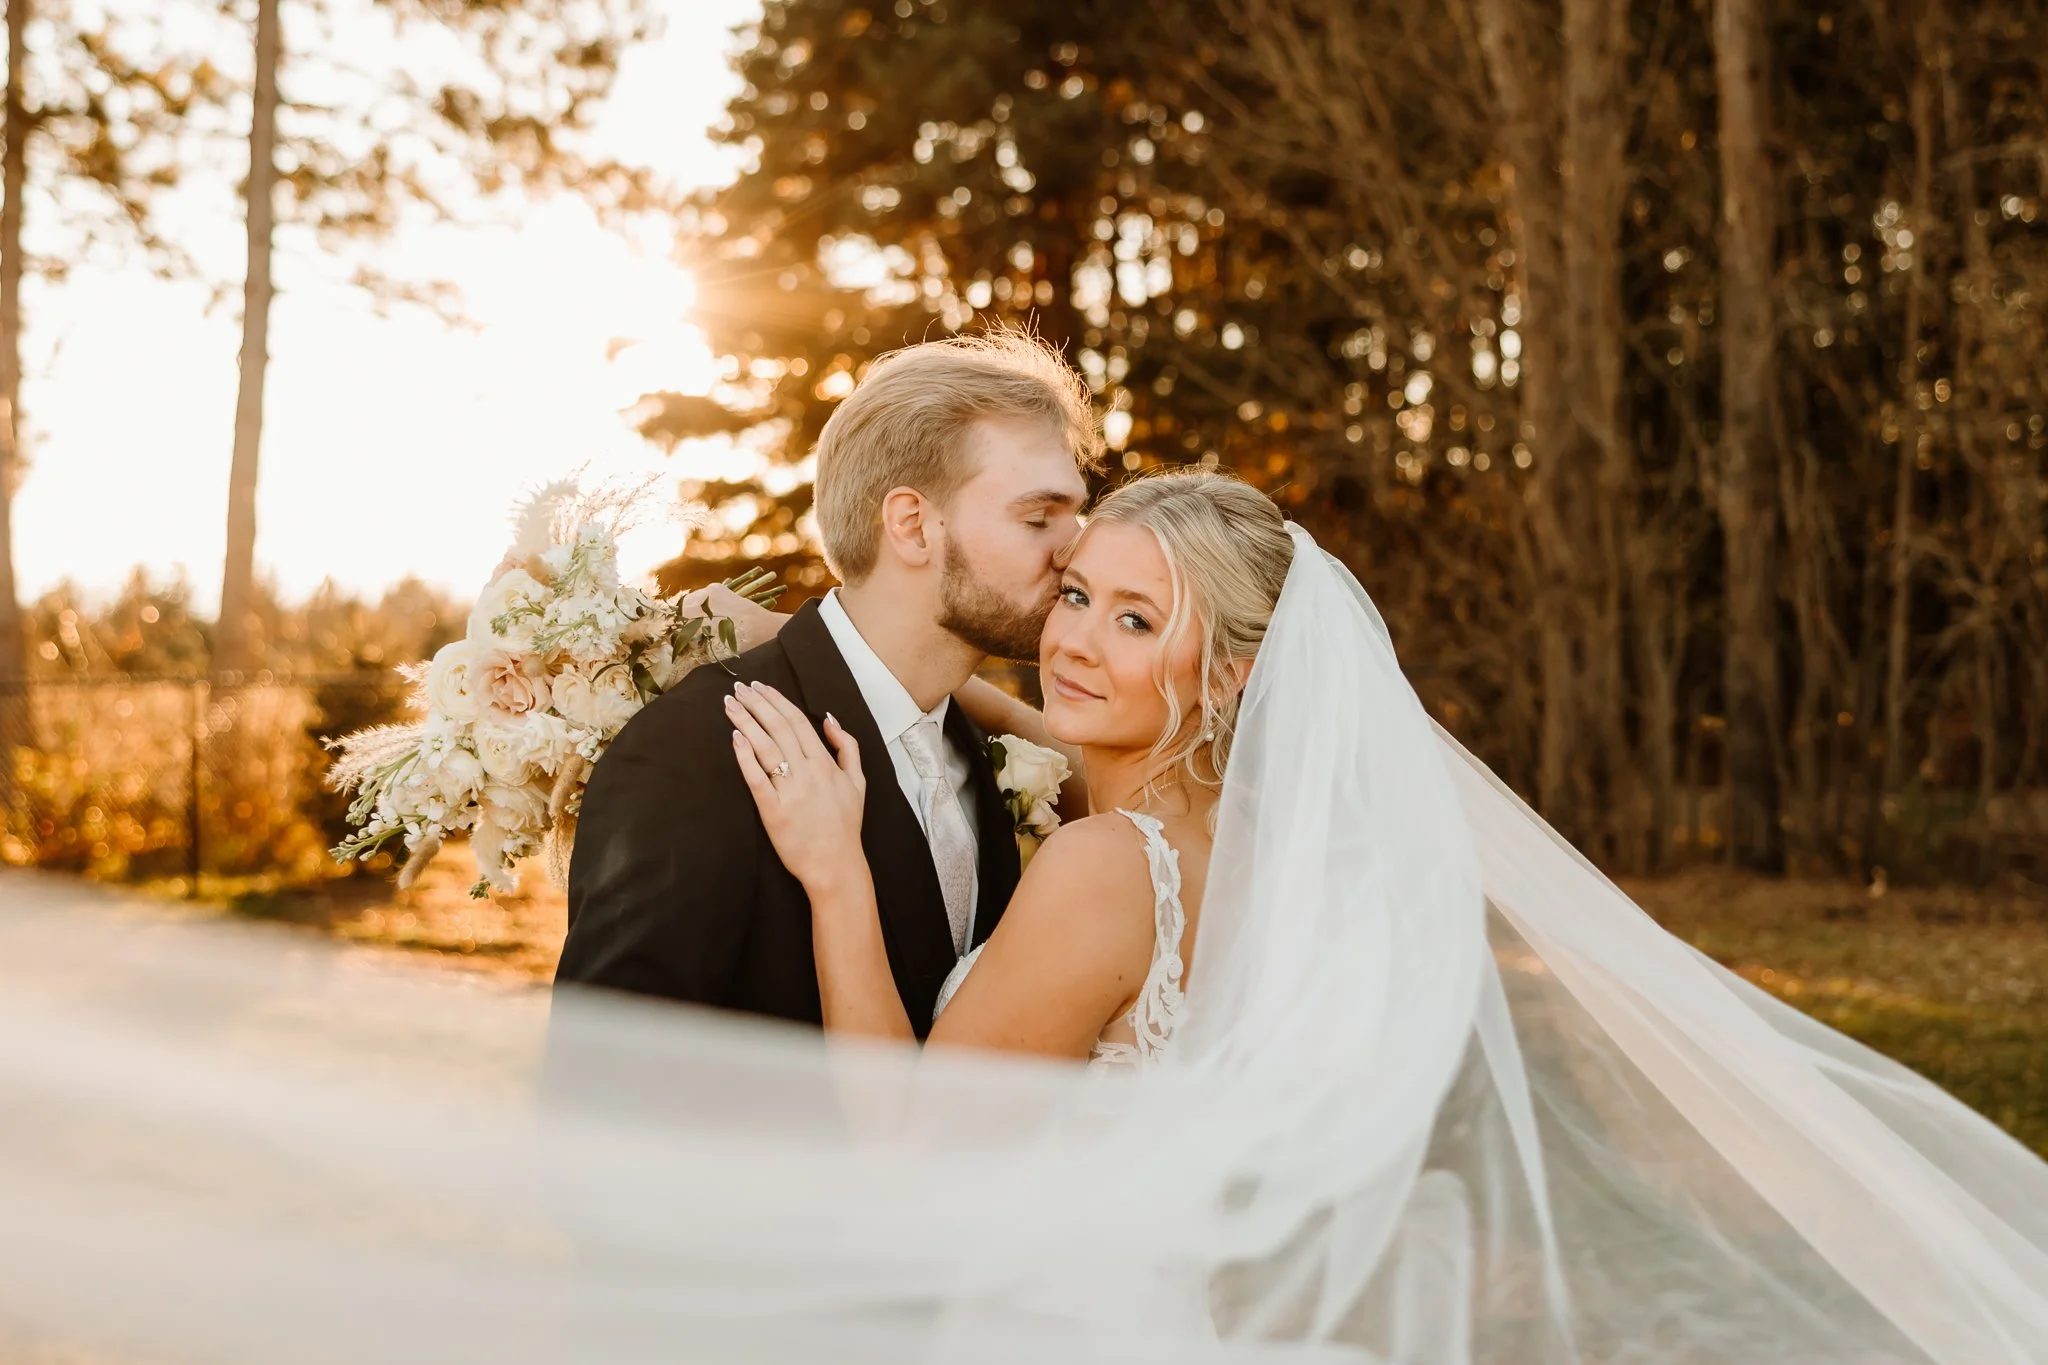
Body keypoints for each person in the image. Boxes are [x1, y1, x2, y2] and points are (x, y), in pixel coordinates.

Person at [553, 328, 1101, 1034]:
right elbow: (600, 1095)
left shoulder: (977, 756)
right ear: (911, 526)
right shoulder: (700, 749)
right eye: (1039, 516)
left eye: (1075, 512)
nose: (1076, 547)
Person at [725, 470, 1287, 1061]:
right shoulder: (1243, 834)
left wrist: (836, 873)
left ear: (1223, 675)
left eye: (1135, 621)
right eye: (1076, 595)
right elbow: (1043, 731)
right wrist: (822, 644)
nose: (1074, 642)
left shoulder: (1104, 864)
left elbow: (916, 1142)